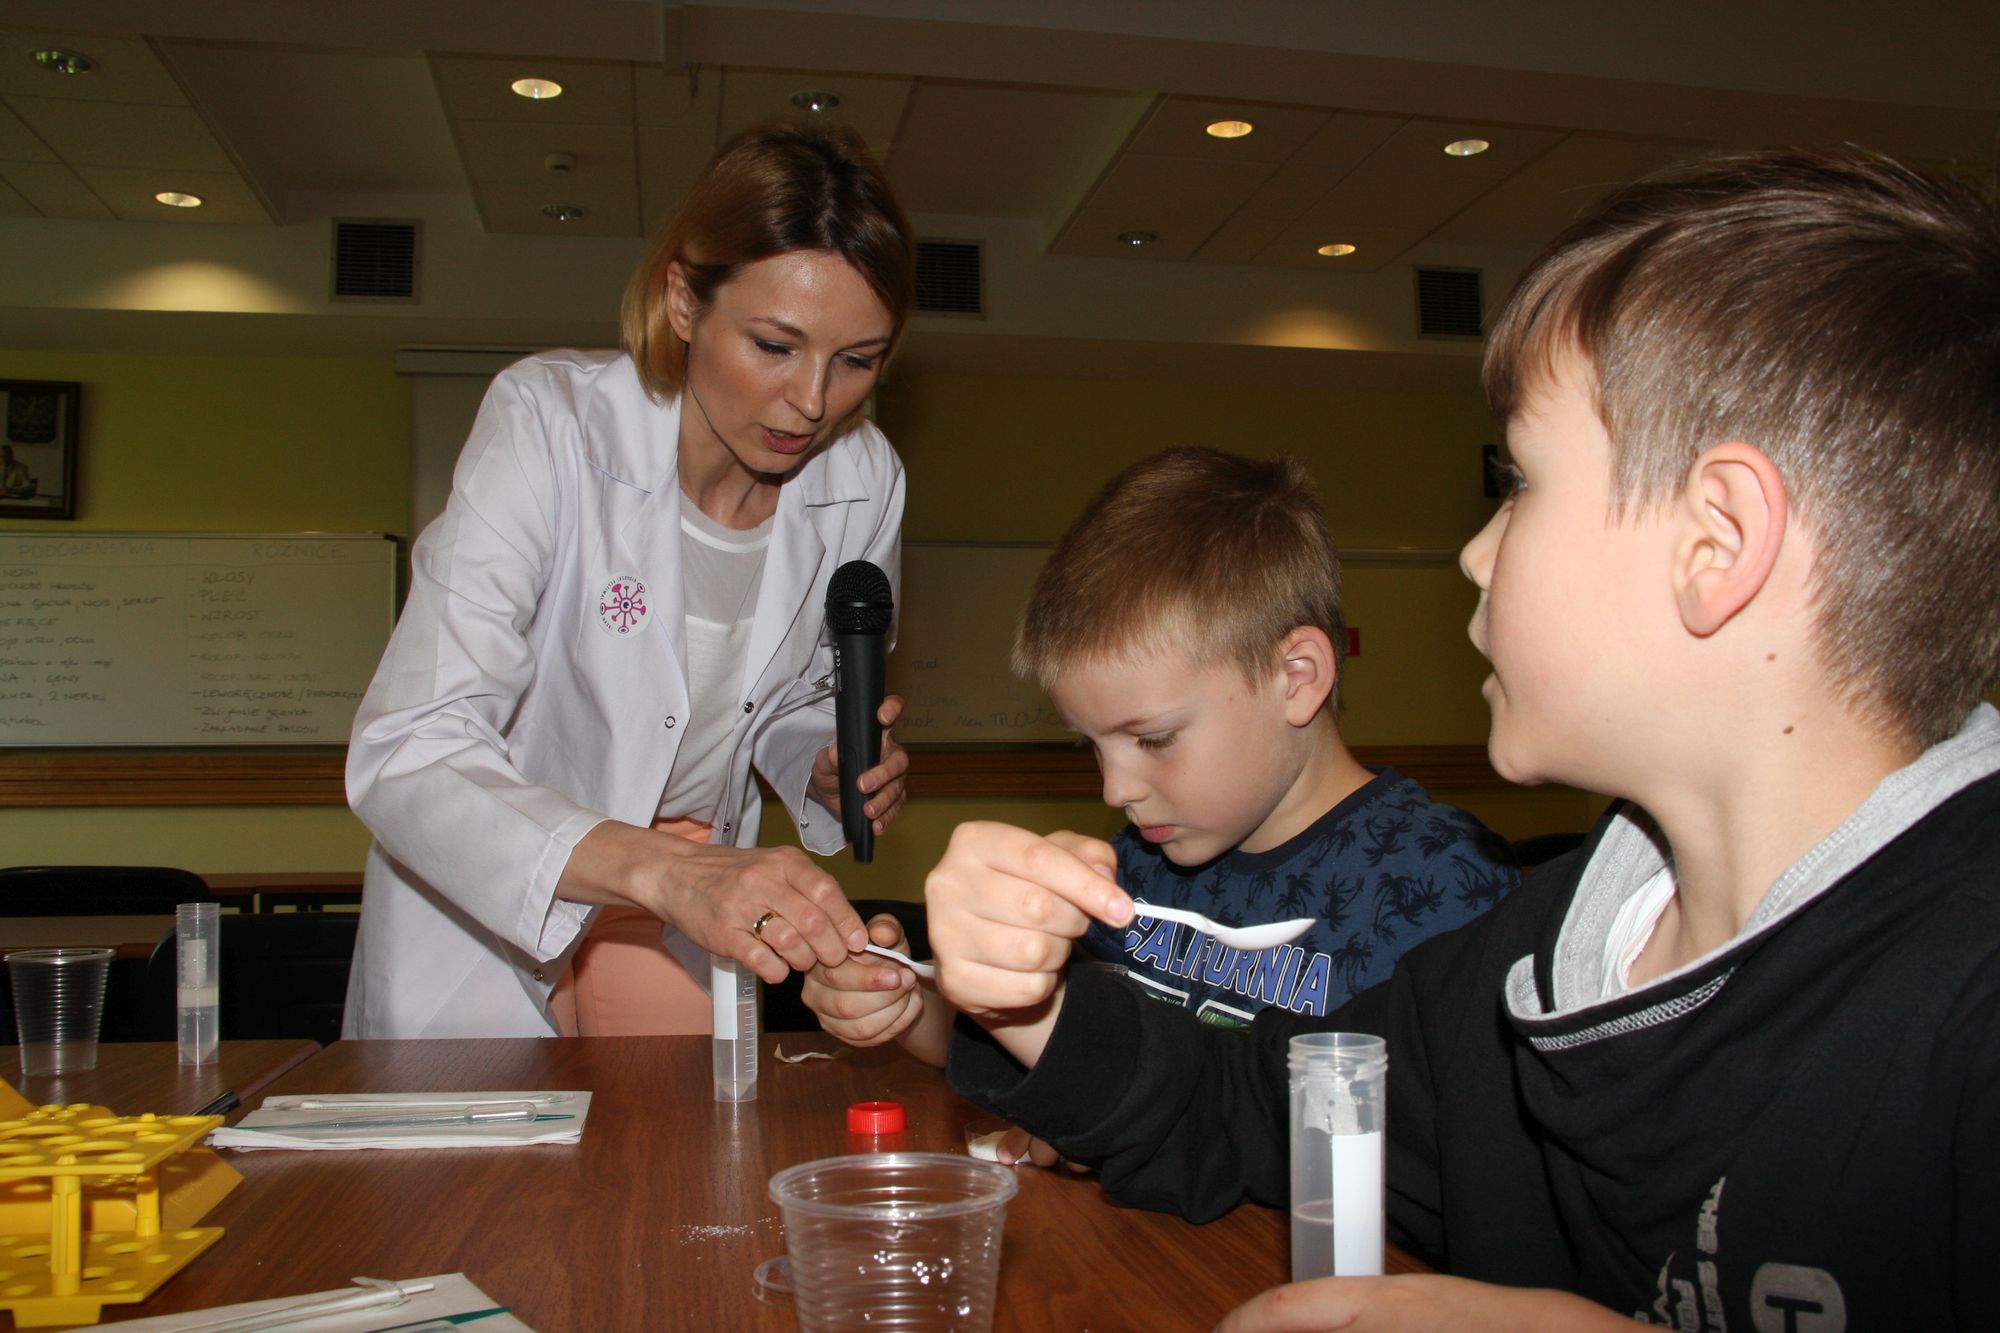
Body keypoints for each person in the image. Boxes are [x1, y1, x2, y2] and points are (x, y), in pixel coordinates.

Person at [924, 146, 2000, 1329]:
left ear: (1717, 541)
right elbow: (1235, 1104)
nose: (1476, 553)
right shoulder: (1513, 965)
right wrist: (1027, 1001)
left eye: (1518, 483)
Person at [344, 119, 917, 1039]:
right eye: (775, 345)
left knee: (683, 1132)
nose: (813, 401)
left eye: (857, 360)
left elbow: (792, 697)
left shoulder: (864, 478)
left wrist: (820, 762)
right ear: (683, 301)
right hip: (504, 880)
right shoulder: (551, 425)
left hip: (692, 889)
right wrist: (661, 868)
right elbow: (410, 745)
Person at [804, 447, 1517, 1078]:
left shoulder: (1450, 893)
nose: (1115, 789)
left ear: (1296, 677)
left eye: (1153, 739)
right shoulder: (1135, 873)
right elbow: (1044, 1054)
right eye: (1092, 746)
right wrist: (902, 1003)